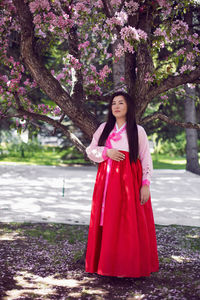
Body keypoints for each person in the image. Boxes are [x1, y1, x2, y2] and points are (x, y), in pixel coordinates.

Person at [85, 91, 159, 278]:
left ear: (128, 107)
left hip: (129, 182)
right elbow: (90, 150)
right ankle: (106, 265)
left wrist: (146, 184)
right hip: (107, 181)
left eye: (121, 103)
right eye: (113, 103)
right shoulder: (104, 128)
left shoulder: (137, 130)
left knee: (127, 222)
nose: (116, 106)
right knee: (107, 221)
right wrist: (106, 152)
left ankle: (127, 267)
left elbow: (145, 158)